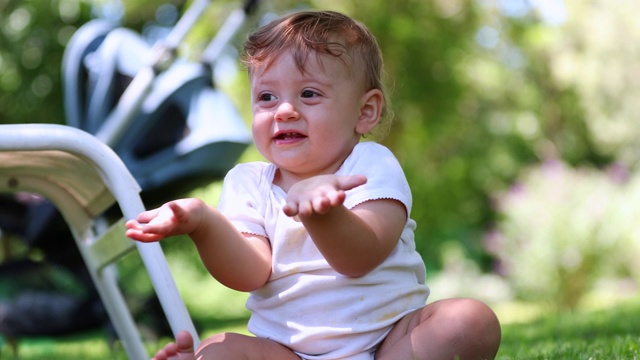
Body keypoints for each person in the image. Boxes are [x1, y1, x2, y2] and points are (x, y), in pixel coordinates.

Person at [126, 10, 501, 360]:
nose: (284, 110)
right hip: (287, 351)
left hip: (390, 343)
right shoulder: (247, 182)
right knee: (216, 349)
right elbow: (250, 273)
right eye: (267, 97)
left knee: (470, 320)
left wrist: (320, 211)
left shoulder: (372, 164)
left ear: (364, 111)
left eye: (308, 94)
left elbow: (360, 257)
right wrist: (202, 223)